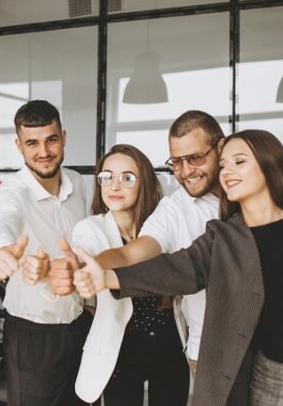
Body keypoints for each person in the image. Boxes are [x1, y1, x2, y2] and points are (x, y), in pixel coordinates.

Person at [73, 130, 283, 406]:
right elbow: (177, 268)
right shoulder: (224, 236)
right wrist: (108, 275)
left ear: (270, 165)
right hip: (271, 381)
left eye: (239, 162)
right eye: (225, 164)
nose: (226, 171)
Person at [51, 109, 224, 377]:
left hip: (257, 345)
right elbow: (131, 254)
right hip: (203, 353)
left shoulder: (245, 193)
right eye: (177, 162)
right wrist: (91, 267)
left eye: (196, 158)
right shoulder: (173, 210)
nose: (187, 171)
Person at [0, 100, 90, 406]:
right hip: (33, 336)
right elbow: (1, 220)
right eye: (32, 143)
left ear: (64, 137)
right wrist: (0, 250)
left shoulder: (78, 183)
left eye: (51, 140)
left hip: (79, 325)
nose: (43, 152)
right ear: (19, 146)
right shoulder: (11, 192)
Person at [72, 145, 188, 406]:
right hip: (119, 352)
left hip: (169, 346)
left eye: (127, 177)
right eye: (107, 177)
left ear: (144, 182)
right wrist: (79, 269)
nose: (114, 185)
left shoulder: (164, 225)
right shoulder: (90, 228)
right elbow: (86, 256)